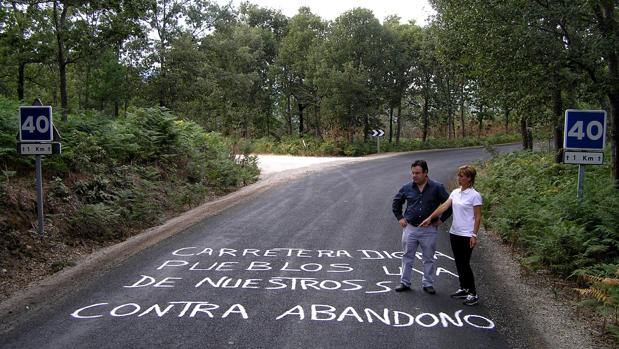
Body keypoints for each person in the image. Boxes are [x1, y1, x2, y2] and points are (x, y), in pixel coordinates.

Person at [420, 165, 482, 306]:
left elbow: (478, 217)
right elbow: (444, 207)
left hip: (467, 234)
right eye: (458, 175)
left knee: (465, 263)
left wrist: (474, 235)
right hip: (455, 232)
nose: (458, 178)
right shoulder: (455, 192)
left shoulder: (475, 195)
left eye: (462, 176)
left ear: (469, 178)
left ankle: (473, 293)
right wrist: (431, 218)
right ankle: (464, 288)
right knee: (458, 262)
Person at [392, 160, 452, 294]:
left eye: (417, 173)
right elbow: (396, 203)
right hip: (410, 228)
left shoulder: (437, 187)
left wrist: (441, 220)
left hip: (429, 230)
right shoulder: (407, 187)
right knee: (407, 256)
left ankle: (428, 283)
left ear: (425, 173)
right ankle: (405, 282)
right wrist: (400, 218)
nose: (414, 175)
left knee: (428, 258)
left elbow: (448, 204)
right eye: (413, 173)